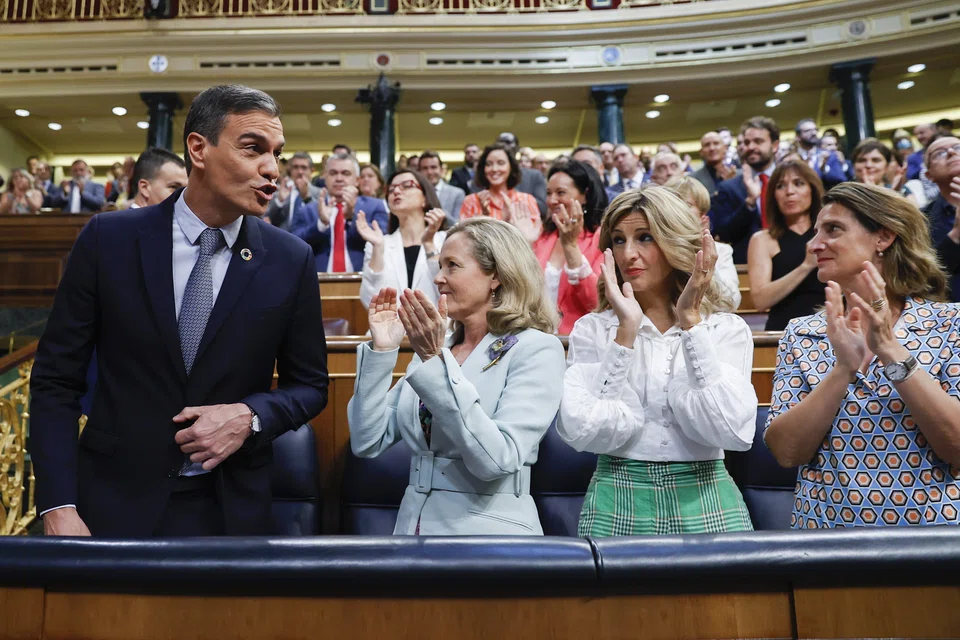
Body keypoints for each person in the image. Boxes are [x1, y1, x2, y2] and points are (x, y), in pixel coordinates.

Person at [28, 84, 329, 537]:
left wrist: (248, 417)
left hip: (229, 510)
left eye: (277, 155)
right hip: (107, 506)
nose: (271, 169)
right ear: (198, 149)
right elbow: (56, 380)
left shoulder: (291, 258)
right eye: (253, 149)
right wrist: (57, 505)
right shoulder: (108, 239)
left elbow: (309, 386)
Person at [348, 218, 564, 535]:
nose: (438, 278)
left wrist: (434, 359)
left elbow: (496, 459)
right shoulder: (441, 348)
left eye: (452, 266)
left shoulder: (537, 349)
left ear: (497, 276)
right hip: (412, 531)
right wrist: (382, 351)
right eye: (439, 266)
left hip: (490, 538)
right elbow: (367, 441)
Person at [559, 187, 755, 536]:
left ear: (674, 241)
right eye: (618, 240)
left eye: (645, 237)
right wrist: (625, 335)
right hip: (614, 494)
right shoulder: (593, 329)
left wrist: (692, 322)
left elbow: (729, 432)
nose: (628, 254)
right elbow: (587, 434)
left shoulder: (724, 329)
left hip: (707, 493)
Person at [764, 182, 960, 528]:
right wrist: (843, 370)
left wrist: (888, 348)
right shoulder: (802, 333)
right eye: (815, 232)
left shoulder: (948, 324)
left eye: (833, 229)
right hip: (826, 540)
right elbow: (786, 453)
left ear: (883, 238)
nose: (813, 245)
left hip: (935, 539)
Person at [746, 160, 826, 331]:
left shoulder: (830, 233)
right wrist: (806, 266)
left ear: (812, 189)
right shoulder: (763, 239)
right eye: (781, 186)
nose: (790, 192)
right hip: (783, 332)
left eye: (799, 183)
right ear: (773, 195)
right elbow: (761, 300)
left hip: (832, 329)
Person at [532, 160, 607, 334]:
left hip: (580, 343)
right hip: (540, 340)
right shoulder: (544, 237)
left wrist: (570, 247)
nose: (551, 200)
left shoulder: (602, 237)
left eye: (561, 193)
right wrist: (525, 242)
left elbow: (598, 303)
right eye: (548, 193)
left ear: (585, 195)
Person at [357, 170, 447, 309]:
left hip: (437, 329)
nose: (396, 191)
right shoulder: (380, 243)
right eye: (391, 189)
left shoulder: (446, 240)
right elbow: (369, 301)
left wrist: (429, 245)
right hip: (389, 328)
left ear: (425, 197)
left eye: (406, 185)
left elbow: (448, 295)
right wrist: (378, 248)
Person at [291, 151, 389, 273]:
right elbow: (293, 244)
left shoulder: (374, 205)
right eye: (333, 173)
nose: (339, 178)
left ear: (357, 180)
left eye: (345, 173)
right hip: (318, 282)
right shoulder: (308, 210)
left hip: (363, 280)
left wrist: (351, 218)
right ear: (325, 177)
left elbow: (384, 240)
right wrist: (320, 225)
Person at [709, 116, 780, 262]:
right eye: (747, 142)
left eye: (759, 141)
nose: (751, 147)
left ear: (774, 146)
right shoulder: (728, 187)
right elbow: (723, 233)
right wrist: (750, 202)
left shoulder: (790, 181)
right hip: (748, 265)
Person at [667, 176, 741, 311]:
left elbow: (730, 303)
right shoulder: (658, 250)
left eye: (686, 205)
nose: (678, 211)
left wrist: (701, 247)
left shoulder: (722, 250)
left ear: (703, 215)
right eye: (674, 204)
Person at [459, 143, 541, 234]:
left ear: (511, 167)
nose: (494, 169)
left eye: (500, 163)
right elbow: (463, 239)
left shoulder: (526, 200)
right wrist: (484, 218)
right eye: (489, 164)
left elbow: (535, 240)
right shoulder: (471, 201)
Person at [922, 136, 960, 301]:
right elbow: (924, 278)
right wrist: (956, 236)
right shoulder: (920, 220)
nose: (951, 152)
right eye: (940, 153)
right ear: (929, 175)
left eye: (958, 148)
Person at [266, 151, 321, 230]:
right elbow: (268, 218)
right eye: (296, 167)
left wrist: (306, 198)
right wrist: (280, 201)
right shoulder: (278, 191)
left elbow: (319, 222)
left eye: (304, 167)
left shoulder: (320, 193)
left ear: (312, 170)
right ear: (290, 170)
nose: (300, 172)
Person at [419, 150, 465, 225]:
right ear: (419, 171)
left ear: (441, 169)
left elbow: (458, 224)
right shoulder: (415, 193)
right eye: (425, 168)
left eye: (433, 167)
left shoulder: (457, 193)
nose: (429, 172)